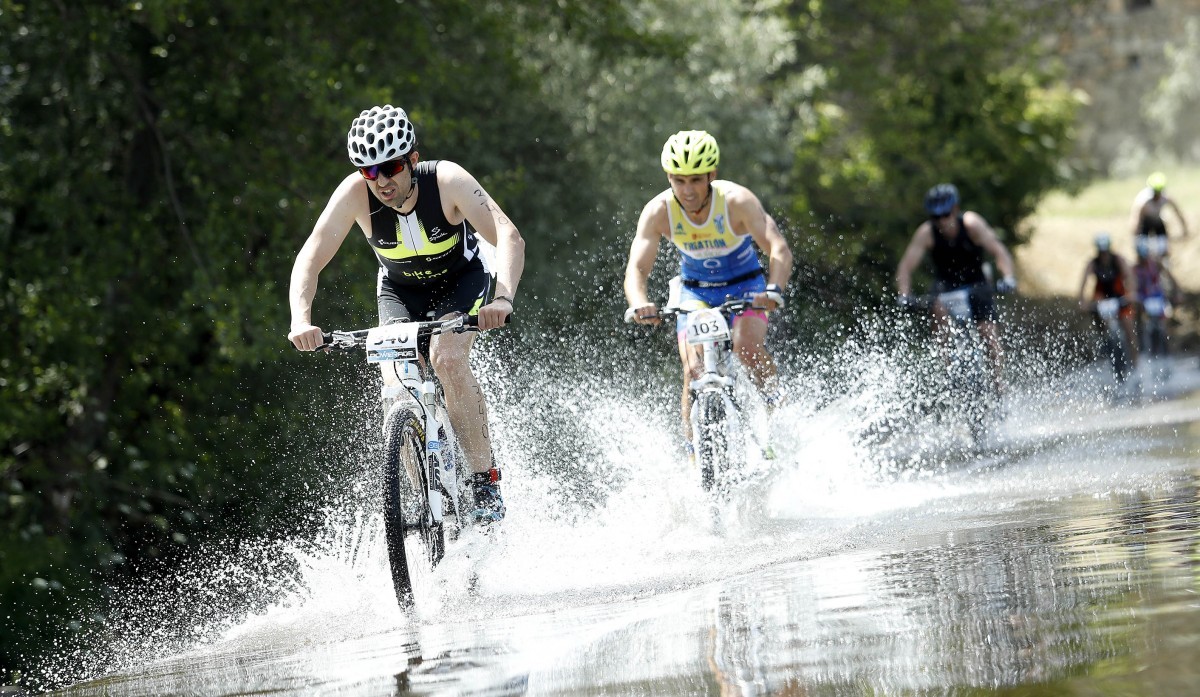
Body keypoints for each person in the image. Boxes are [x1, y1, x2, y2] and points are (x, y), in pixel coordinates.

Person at [287, 105, 525, 524]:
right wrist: (300, 320)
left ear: (412, 160)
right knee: (396, 388)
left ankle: (484, 479)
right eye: (369, 171)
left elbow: (508, 235)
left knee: (446, 359)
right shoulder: (354, 194)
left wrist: (502, 298)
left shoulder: (447, 180)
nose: (382, 181)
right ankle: (426, 490)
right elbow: (310, 256)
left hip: (462, 280)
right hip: (400, 291)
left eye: (391, 167)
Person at [623, 130, 793, 460]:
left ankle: (776, 406)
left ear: (711, 176)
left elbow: (778, 248)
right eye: (678, 180)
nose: (687, 191)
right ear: (669, 178)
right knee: (693, 370)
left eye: (696, 181)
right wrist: (639, 302)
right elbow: (636, 269)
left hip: (746, 286)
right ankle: (693, 455)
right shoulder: (658, 210)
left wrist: (773, 290)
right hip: (695, 292)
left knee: (747, 347)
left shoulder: (736, 202)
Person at [895, 183, 1017, 395]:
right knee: (937, 308)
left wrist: (1008, 278)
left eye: (946, 214)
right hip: (946, 285)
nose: (942, 220)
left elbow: (1000, 252)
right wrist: (904, 295)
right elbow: (905, 268)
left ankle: (999, 384)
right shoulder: (926, 233)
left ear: (956, 210)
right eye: (936, 217)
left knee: (987, 333)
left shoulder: (972, 224)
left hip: (976, 283)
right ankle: (949, 369)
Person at [1076, 232, 1139, 368]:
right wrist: (1082, 301)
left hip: (1120, 296)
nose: (1104, 255)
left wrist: (1132, 293)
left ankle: (1136, 366)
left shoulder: (1118, 260)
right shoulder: (1093, 264)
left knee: (1129, 330)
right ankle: (1107, 353)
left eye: (1106, 252)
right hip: (1102, 298)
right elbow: (1083, 283)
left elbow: (1130, 277)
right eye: (1101, 252)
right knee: (1104, 324)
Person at [1130, 171, 1189, 258]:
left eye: (1159, 192)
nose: (1157, 195)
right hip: (1145, 223)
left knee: (1163, 249)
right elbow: (1136, 219)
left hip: (1157, 221)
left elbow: (1178, 212)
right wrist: (1136, 237)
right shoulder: (1143, 201)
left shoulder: (1165, 198)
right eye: (1155, 193)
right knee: (1143, 250)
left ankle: (1164, 263)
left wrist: (1184, 229)